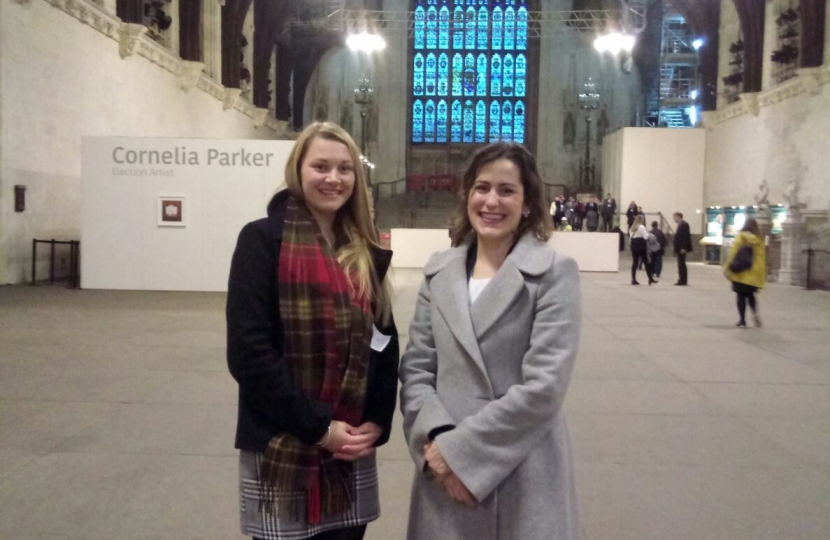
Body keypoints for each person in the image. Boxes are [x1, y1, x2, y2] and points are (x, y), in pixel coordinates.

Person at [226, 122, 399, 540]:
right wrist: (320, 429)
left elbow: (384, 341)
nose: (333, 178)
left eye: (345, 168)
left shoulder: (363, 249)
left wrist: (376, 419)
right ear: (297, 169)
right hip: (283, 439)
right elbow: (249, 353)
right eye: (320, 166)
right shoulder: (261, 240)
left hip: (349, 446)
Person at [399, 142, 581, 540]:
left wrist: (462, 456)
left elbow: (544, 388)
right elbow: (416, 371)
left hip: (521, 467)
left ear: (528, 203)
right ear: (467, 195)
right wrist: (437, 447)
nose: (491, 201)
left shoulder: (555, 274)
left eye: (506, 190)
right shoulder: (439, 273)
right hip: (442, 468)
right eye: (482, 188)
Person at [724, 218, 766, 328]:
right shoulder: (760, 239)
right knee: (750, 295)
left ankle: (742, 320)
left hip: (740, 271)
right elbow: (761, 258)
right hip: (753, 272)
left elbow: (733, 253)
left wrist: (727, 268)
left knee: (740, 296)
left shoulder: (741, 237)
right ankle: (755, 313)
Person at [629, 215, 656, 285]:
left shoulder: (632, 227)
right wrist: (650, 234)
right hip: (641, 245)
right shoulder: (641, 227)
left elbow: (630, 236)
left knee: (635, 262)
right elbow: (646, 236)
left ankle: (633, 279)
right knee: (646, 262)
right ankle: (650, 278)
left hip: (633, 244)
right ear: (641, 220)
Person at [673, 211, 693, 286]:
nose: (674, 219)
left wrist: (684, 248)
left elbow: (686, 237)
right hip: (679, 248)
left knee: (682, 264)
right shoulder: (680, 224)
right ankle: (681, 278)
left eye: (674, 217)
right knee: (680, 264)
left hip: (682, 248)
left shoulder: (684, 224)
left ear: (678, 216)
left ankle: (683, 280)